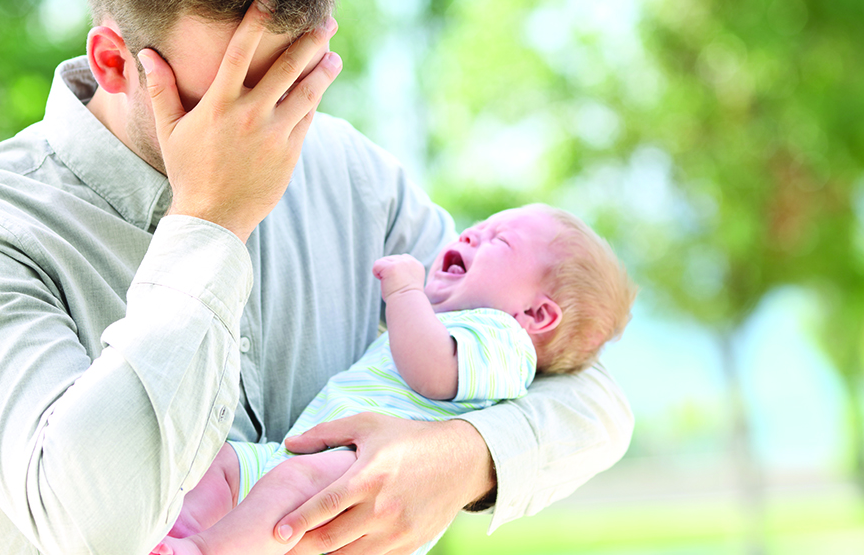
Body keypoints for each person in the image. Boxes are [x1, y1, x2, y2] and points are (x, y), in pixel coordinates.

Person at [0, 0, 634, 555]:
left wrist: (460, 460)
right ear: (114, 62)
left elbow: (587, 389)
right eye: (232, 87)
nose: (267, 120)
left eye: (295, 79)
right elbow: (95, 525)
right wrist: (208, 223)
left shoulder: (350, 172)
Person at [153, 204, 636, 555]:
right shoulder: (455, 320)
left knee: (289, 486)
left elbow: (431, 372)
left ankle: (201, 550)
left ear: (537, 313)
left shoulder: (503, 340)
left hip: (363, 477)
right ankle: (175, 533)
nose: (470, 236)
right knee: (227, 462)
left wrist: (405, 290)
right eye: (477, 228)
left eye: (499, 242)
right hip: (307, 458)